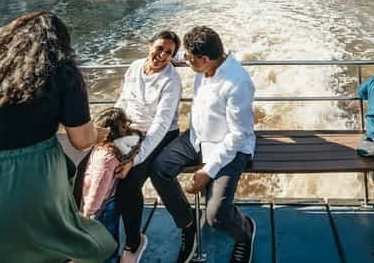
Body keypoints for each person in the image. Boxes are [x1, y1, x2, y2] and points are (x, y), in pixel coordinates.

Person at [0, 11, 116, 263]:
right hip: (25, 181)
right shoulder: (62, 72)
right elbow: (80, 139)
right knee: (93, 244)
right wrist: (96, 134)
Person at [150, 26, 256, 263]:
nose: (184, 60)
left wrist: (208, 171)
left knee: (216, 216)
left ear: (205, 60)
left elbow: (239, 135)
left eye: (189, 58)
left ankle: (245, 232)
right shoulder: (204, 61)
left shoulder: (237, 83)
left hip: (228, 148)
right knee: (159, 169)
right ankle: (188, 223)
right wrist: (157, 53)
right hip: (196, 137)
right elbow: (176, 56)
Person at [107, 30, 183, 263]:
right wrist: (112, 128)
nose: (161, 55)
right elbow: (123, 101)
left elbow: (160, 126)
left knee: (129, 184)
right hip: (130, 132)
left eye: (168, 53)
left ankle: (134, 242)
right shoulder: (135, 66)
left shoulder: (171, 80)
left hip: (160, 137)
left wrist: (135, 160)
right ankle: (105, 238)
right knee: (103, 168)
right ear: (150, 45)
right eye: (159, 48)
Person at [79, 107, 141, 263]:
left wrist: (86, 216)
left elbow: (97, 191)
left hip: (100, 209)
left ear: (106, 132)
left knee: (103, 247)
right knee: (111, 243)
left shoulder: (104, 158)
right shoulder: (120, 145)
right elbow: (136, 138)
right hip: (110, 202)